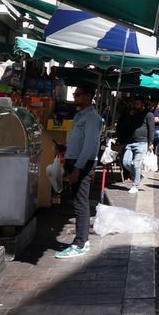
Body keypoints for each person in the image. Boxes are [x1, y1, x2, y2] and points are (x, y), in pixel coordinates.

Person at [55, 84, 104, 259]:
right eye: (74, 94)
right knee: (77, 201)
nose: (75, 97)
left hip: (82, 164)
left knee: (80, 203)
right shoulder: (79, 116)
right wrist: (65, 151)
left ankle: (80, 243)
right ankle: (82, 240)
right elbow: (77, 141)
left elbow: (90, 146)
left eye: (78, 94)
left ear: (89, 96)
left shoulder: (92, 118)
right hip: (74, 161)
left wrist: (77, 168)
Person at [121, 97, 154, 194]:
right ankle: (138, 176)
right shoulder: (132, 114)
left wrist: (150, 143)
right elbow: (126, 126)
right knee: (126, 162)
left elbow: (151, 129)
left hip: (142, 143)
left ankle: (135, 185)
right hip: (130, 142)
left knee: (136, 164)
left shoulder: (149, 115)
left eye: (137, 104)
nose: (135, 106)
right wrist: (129, 116)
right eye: (134, 103)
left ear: (142, 104)